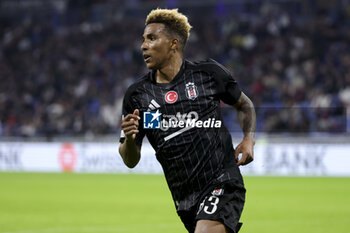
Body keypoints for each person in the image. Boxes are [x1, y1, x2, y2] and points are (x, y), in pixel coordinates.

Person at [119, 8, 256, 233]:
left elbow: (244, 104)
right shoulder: (139, 97)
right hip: (184, 199)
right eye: (143, 39)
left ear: (173, 44)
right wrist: (131, 138)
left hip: (222, 180)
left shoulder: (208, 75)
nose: (144, 45)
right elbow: (130, 160)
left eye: (152, 38)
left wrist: (248, 140)